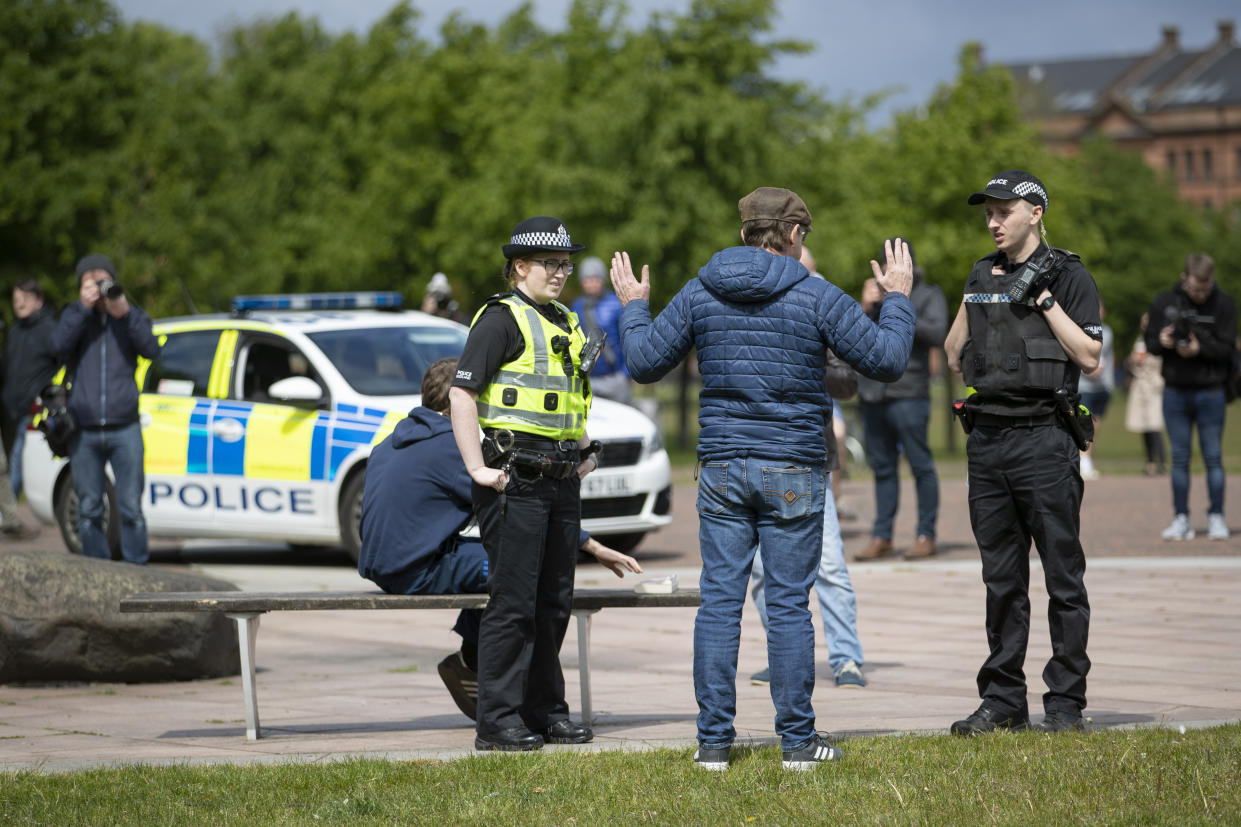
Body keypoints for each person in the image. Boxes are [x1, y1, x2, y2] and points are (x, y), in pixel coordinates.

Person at [609, 187, 915, 771]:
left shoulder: (701, 290)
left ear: (746, 231)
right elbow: (886, 359)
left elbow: (645, 363)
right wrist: (897, 297)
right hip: (793, 468)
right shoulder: (816, 293)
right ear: (795, 234)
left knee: (720, 603)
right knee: (788, 606)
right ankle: (798, 744)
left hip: (722, 467)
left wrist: (634, 304)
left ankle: (713, 746)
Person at [360, 357, 641, 721]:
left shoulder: (394, 439)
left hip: (387, 563)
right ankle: (488, 671)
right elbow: (520, 504)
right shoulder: (451, 446)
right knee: (524, 568)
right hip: (416, 568)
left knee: (505, 557)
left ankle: (472, 658)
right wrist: (592, 545)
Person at [944, 170, 1102, 735]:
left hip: (1044, 440)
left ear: (1035, 212)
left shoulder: (1071, 276)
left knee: (1063, 576)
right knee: (1001, 579)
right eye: (987, 212)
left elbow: (1090, 357)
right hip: (988, 443)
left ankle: (1065, 703)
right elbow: (952, 352)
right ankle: (1003, 701)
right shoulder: (979, 274)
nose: (992, 221)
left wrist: (1042, 299)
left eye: (1003, 211)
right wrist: (974, 300)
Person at [449, 216, 601, 752]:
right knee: (513, 604)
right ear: (520, 267)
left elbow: (567, 395)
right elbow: (461, 395)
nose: (561, 272)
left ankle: (545, 712)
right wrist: (476, 469)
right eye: (550, 264)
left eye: (565, 263)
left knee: (554, 601)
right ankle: (497, 722)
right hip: (516, 481)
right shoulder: (500, 319)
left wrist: (585, 453)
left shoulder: (564, 319)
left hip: (561, 480)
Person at [51, 254, 160, 564]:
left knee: (131, 509)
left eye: (104, 281)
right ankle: (97, 577)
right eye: (91, 282)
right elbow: (57, 347)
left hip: (124, 426)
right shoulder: (74, 315)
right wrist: (82, 309)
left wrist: (124, 314)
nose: (99, 289)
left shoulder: (129, 316)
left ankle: (137, 574)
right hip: (83, 428)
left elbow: (151, 349)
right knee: (88, 510)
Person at [853, 240, 947, 560]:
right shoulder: (873, 300)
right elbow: (850, 339)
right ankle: (882, 536)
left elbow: (938, 333)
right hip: (873, 393)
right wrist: (865, 308)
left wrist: (899, 302)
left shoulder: (928, 294)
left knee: (921, 465)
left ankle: (925, 533)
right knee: (882, 468)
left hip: (910, 393)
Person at [1145, 253, 1236, 541]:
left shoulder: (1224, 304)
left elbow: (1228, 348)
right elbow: (1150, 344)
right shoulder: (1164, 302)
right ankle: (1181, 517)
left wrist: (1200, 349)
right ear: (1185, 279)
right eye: (1195, 289)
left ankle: (1217, 516)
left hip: (1211, 391)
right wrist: (1162, 341)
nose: (1200, 295)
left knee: (1213, 457)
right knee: (1180, 458)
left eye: (1205, 289)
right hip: (1175, 391)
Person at [3, 278, 60, 500]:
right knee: (11, 462)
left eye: (25, 299)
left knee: (17, 463)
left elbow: (62, 366)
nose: (19, 304)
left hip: (37, 412)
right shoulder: (15, 331)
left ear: (39, 301)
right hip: (14, 410)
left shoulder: (50, 330)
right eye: (16, 299)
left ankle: (7, 515)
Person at [570, 256, 632, 403]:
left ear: (603, 280)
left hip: (616, 377)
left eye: (595, 279)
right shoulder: (577, 306)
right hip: (588, 377)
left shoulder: (616, 304)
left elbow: (628, 339)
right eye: (587, 280)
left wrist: (626, 374)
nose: (591, 284)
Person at [1076, 300, 1114, 481]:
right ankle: (1084, 462)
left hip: (1101, 385)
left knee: (1095, 426)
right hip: (1084, 386)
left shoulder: (1107, 331)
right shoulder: (1079, 331)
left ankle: (1087, 460)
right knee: (1086, 425)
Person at [1124, 314, 1166, 476]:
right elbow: (1131, 360)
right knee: (1144, 426)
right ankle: (1150, 462)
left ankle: (1162, 462)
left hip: (1154, 386)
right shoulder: (1140, 340)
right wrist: (1133, 360)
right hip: (1140, 386)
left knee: (1155, 425)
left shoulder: (1160, 339)